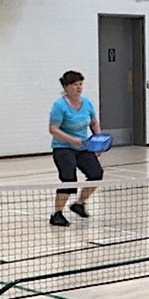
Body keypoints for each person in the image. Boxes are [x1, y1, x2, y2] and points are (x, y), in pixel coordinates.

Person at [48, 70, 103, 227]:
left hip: (83, 147)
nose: (78, 87)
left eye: (80, 84)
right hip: (63, 147)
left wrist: (97, 141)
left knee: (96, 174)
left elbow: (93, 122)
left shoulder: (87, 102)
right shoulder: (59, 106)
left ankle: (79, 204)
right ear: (66, 87)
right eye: (74, 84)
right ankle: (57, 214)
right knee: (68, 179)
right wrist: (71, 140)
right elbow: (53, 129)